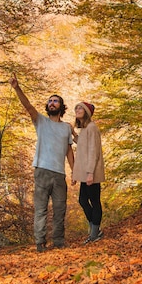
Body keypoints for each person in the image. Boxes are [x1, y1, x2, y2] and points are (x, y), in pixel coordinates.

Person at [10, 74, 75, 252]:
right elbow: (28, 106)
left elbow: (69, 150)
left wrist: (74, 171)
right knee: (41, 209)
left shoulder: (66, 128)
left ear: (61, 107)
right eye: (50, 101)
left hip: (60, 174)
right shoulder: (40, 121)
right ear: (47, 106)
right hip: (42, 171)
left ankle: (59, 242)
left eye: (56, 101)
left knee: (60, 209)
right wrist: (17, 88)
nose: (52, 103)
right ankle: (40, 243)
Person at [72, 102, 105, 244]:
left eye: (81, 108)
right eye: (77, 108)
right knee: (83, 200)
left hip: (91, 172)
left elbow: (93, 151)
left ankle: (94, 234)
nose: (78, 110)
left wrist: (90, 172)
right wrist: (73, 133)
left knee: (94, 201)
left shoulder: (92, 127)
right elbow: (82, 144)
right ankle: (95, 231)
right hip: (86, 173)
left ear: (87, 112)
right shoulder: (84, 129)